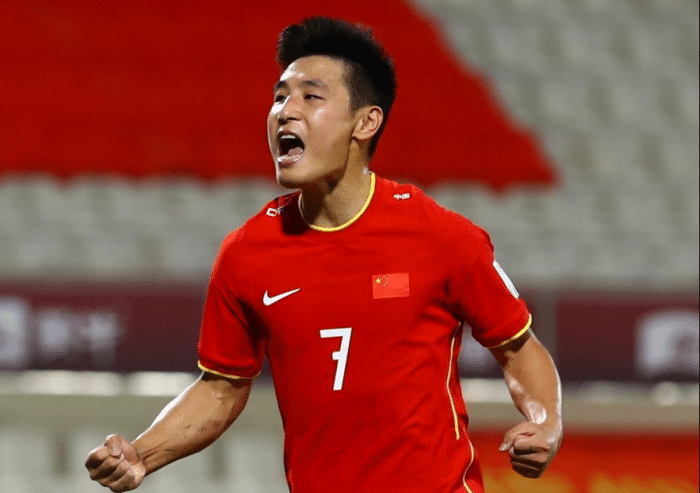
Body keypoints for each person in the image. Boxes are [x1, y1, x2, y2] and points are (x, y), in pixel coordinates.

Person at [85, 16, 562, 493]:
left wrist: (545, 423)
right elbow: (221, 388)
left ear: (366, 122)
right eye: (279, 97)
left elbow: (518, 347)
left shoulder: (442, 236)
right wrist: (142, 454)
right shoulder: (245, 255)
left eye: (310, 97)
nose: (285, 112)